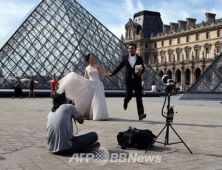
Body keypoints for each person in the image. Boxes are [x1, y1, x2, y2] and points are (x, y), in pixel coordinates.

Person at [57, 54, 109, 121]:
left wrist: (107, 74)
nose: (93, 58)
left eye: (93, 57)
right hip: (91, 85)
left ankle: (99, 115)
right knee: (92, 100)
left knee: (98, 100)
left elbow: (102, 73)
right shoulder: (86, 68)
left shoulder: (97, 66)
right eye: (91, 57)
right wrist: (78, 77)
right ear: (88, 59)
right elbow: (85, 76)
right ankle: (93, 114)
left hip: (98, 84)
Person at [108, 44, 146, 121]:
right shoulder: (125, 58)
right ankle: (126, 101)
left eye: (132, 48)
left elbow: (143, 68)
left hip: (137, 79)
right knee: (129, 95)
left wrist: (140, 72)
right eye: (129, 48)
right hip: (128, 80)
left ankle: (140, 114)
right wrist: (113, 73)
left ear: (135, 49)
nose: (130, 49)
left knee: (139, 98)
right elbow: (120, 66)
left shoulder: (139, 58)